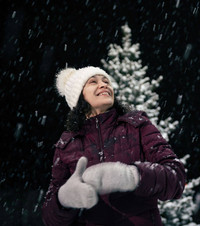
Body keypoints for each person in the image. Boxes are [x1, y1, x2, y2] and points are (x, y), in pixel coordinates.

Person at [41, 66, 186, 225]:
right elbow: (50, 218)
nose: (104, 85)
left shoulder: (137, 125)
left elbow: (176, 178)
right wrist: (64, 199)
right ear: (77, 96)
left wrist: (132, 176)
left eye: (106, 81)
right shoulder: (66, 145)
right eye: (93, 82)